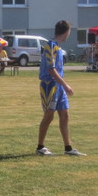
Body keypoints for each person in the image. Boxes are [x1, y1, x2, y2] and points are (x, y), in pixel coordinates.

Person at [36, 20, 85, 156]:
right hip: (50, 85)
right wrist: (65, 84)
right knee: (49, 116)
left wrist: (62, 86)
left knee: (64, 114)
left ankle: (68, 148)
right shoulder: (50, 46)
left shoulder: (58, 47)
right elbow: (51, 69)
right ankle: (40, 147)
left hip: (59, 86)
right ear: (66, 32)